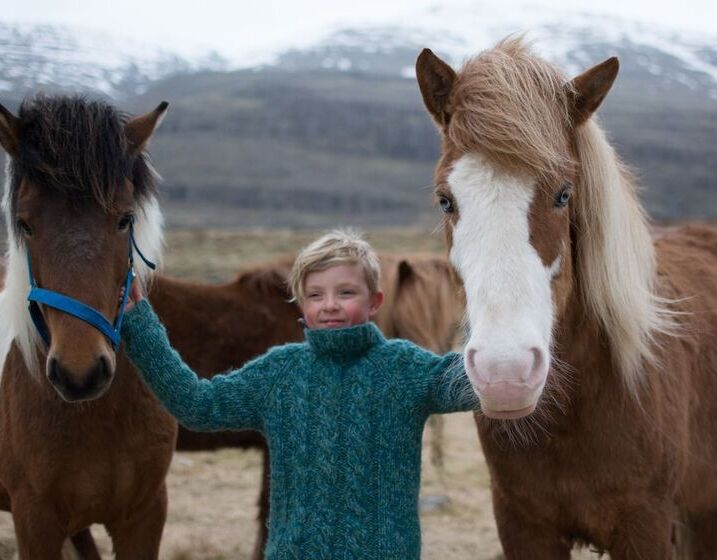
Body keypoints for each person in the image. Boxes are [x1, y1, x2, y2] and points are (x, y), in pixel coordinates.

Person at [121, 229, 477, 559]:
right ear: (301, 304)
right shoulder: (280, 372)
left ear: (375, 301)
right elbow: (198, 405)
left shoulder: (405, 368)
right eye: (315, 295)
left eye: (346, 292)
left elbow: (480, 382)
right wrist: (141, 327)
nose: (330, 305)